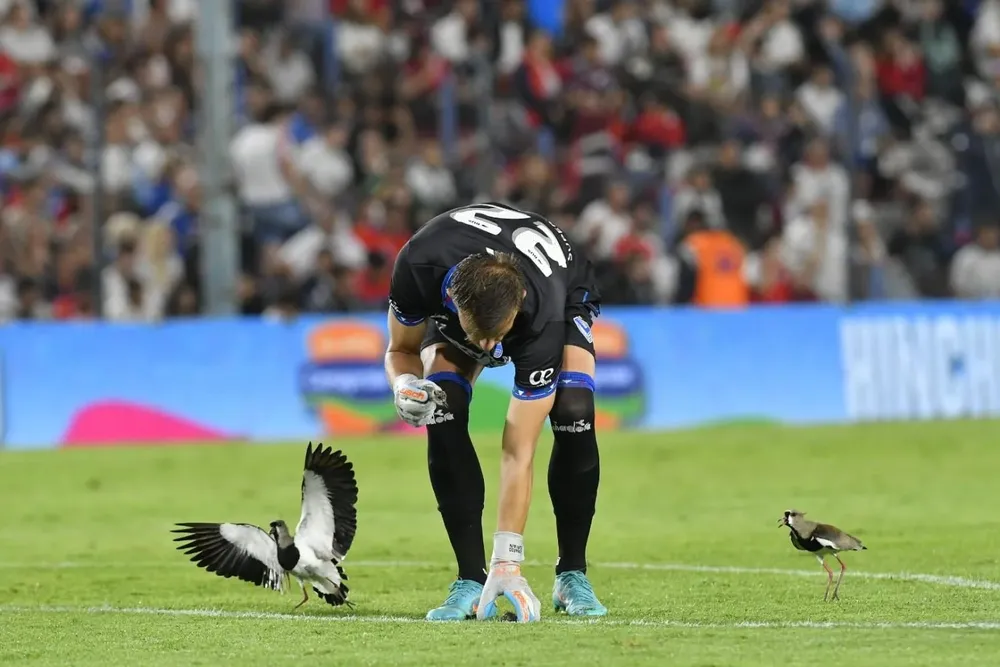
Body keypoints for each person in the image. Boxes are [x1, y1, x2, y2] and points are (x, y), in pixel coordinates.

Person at [384, 202, 606, 622]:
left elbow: (517, 450)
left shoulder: (538, 312)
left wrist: (509, 561)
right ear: (450, 301)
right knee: (441, 409)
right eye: (478, 337)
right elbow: (401, 350)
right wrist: (405, 385)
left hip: (560, 278)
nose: (489, 350)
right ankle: (469, 580)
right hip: (468, 289)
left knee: (574, 411)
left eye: (498, 336)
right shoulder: (418, 265)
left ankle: (571, 574)